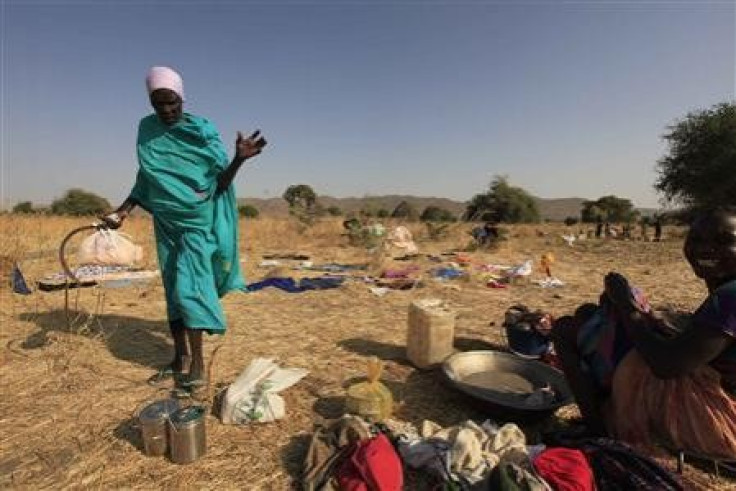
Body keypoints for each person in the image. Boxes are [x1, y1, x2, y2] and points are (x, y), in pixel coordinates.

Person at [102, 66, 267, 392]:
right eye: (159, 104)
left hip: (196, 224)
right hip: (166, 224)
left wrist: (238, 160)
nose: (166, 110)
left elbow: (218, 185)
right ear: (151, 103)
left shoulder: (202, 132)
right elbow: (146, 176)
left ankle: (199, 368)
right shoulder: (146, 130)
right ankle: (179, 359)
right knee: (173, 291)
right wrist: (122, 211)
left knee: (191, 290)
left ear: (182, 98)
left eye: (172, 103)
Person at [551, 208, 736, 458]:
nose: (705, 248)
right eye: (696, 239)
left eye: (724, 241)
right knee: (589, 315)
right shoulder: (725, 293)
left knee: (566, 330)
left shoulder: (730, 298)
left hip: (722, 423)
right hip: (721, 400)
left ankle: (599, 431)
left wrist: (628, 307)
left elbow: (666, 365)